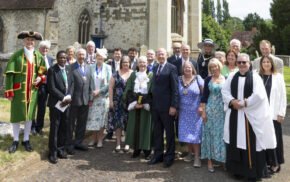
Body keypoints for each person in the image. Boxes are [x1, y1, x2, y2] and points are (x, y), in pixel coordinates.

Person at [221, 53, 276, 181]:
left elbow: (259, 95)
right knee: (236, 142)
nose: (241, 65)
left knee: (251, 143)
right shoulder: (231, 76)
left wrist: (246, 103)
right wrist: (232, 102)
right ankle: (237, 171)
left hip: (250, 116)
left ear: (249, 63)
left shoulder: (255, 77)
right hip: (235, 114)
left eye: (244, 62)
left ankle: (253, 173)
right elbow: (224, 91)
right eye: (239, 62)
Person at [4, 31, 46, 153]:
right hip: (18, 92)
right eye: (28, 40)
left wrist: (40, 77)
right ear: (24, 41)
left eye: (32, 40)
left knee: (29, 116)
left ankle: (26, 139)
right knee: (16, 116)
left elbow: (43, 70)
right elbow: (9, 75)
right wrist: (9, 92)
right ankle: (16, 140)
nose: (30, 42)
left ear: (35, 42)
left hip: (32, 92)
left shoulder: (39, 56)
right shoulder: (16, 55)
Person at [148, 48, 178, 168]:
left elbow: (175, 89)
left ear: (166, 55)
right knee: (157, 132)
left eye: (162, 54)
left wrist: (174, 106)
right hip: (155, 106)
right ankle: (158, 155)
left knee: (169, 133)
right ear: (156, 56)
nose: (160, 56)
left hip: (167, 107)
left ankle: (170, 156)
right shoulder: (155, 68)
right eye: (158, 54)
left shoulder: (172, 68)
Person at [258, 56, 287, 173]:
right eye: (264, 62)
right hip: (261, 115)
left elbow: (283, 96)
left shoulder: (278, 77)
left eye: (268, 62)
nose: (266, 64)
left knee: (275, 139)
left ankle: (276, 163)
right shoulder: (257, 77)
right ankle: (265, 162)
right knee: (263, 139)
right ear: (261, 64)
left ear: (272, 64)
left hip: (274, 114)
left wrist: (281, 113)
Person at [123, 56, 153, 159]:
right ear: (137, 64)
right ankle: (136, 149)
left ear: (147, 64)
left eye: (144, 62)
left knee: (146, 127)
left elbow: (152, 91)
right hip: (134, 106)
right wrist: (134, 102)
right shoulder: (133, 75)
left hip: (146, 107)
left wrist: (145, 102)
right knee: (134, 127)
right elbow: (128, 90)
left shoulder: (151, 75)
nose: (142, 64)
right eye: (140, 62)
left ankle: (147, 150)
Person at [200, 58, 226, 172]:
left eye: (215, 66)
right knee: (209, 135)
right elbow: (204, 97)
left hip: (222, 112)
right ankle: (210, 161)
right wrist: (204, 112)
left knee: (221, 136)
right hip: (210, 110)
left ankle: (222, 160)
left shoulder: (226, 78)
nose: (214, 68)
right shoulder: (208, 79)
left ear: (219, 66)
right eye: (211, 67)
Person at [47, 50, 72, 164]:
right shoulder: (52, 70)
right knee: (55, 127)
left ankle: (61, 149)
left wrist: (69, 97)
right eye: (60, 57)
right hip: (56, 104)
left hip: (66, 104)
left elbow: (71, 84)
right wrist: (63, 98)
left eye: (64, 58)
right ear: (57, 58)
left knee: (64, 126)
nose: (62, 59)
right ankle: (53, 152)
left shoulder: (68, 69)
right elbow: (51, 88)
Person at [67, 48, 93, 153]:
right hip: (74, 100)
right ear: (76, 55)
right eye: (80, 55)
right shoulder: (71, 68)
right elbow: (69, 84)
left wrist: (90, 98)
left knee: (82, 123)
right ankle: (69, 143)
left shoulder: (88, 68)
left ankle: (79, 142)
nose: (81, 56)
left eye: (83, 55)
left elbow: (90, 84)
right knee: (71, 123)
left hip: (85, 100)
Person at [177, 61, 204, 167]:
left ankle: (197, 157)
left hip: (196, 112)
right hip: (183, 111)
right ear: (183, 69)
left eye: (189, 67)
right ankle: (190, 154)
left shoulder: (198, 78)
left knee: (196, 134)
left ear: (192, 68)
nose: (187, 69)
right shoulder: (179, 79)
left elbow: (204, 93)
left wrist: (202, 106)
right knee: (187, 133)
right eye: (185, 68)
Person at [86, 48, 112, 148]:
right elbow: (88, 81)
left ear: (104, 58)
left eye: (101, 57)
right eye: (98, 57)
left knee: (101, 120)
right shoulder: (91, 67)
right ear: (96, 57)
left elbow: (109, 83)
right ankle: (94, 139)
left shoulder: (108, 68)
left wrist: (99, 91)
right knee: (92, 119)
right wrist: (92, 92)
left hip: (102, 98)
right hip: (93, 97)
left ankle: (100, 139)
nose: (99, 59)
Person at [108, 56, 133, 152]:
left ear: (129, 63)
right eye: (124, 62)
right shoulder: (115, 74)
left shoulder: (133, 74)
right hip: (117, 102)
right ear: (121, 63)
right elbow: (110, 88)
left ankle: (127, 143)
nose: (125, 64)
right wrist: (110, 101)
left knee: (128, 123)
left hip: (129, 103)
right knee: (118, 123)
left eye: (127, 62)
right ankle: (118, 143)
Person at [31, 40, 54, 136]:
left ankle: (39, 127)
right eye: (43, 48)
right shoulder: (34, 57)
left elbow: (51, 73)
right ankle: (32, 126)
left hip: (46, 87)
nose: (45, 49)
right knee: (32, 107)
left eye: (46, 48)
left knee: (42, 108)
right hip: (36, 85)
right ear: (39, 48)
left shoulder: (50, 59)